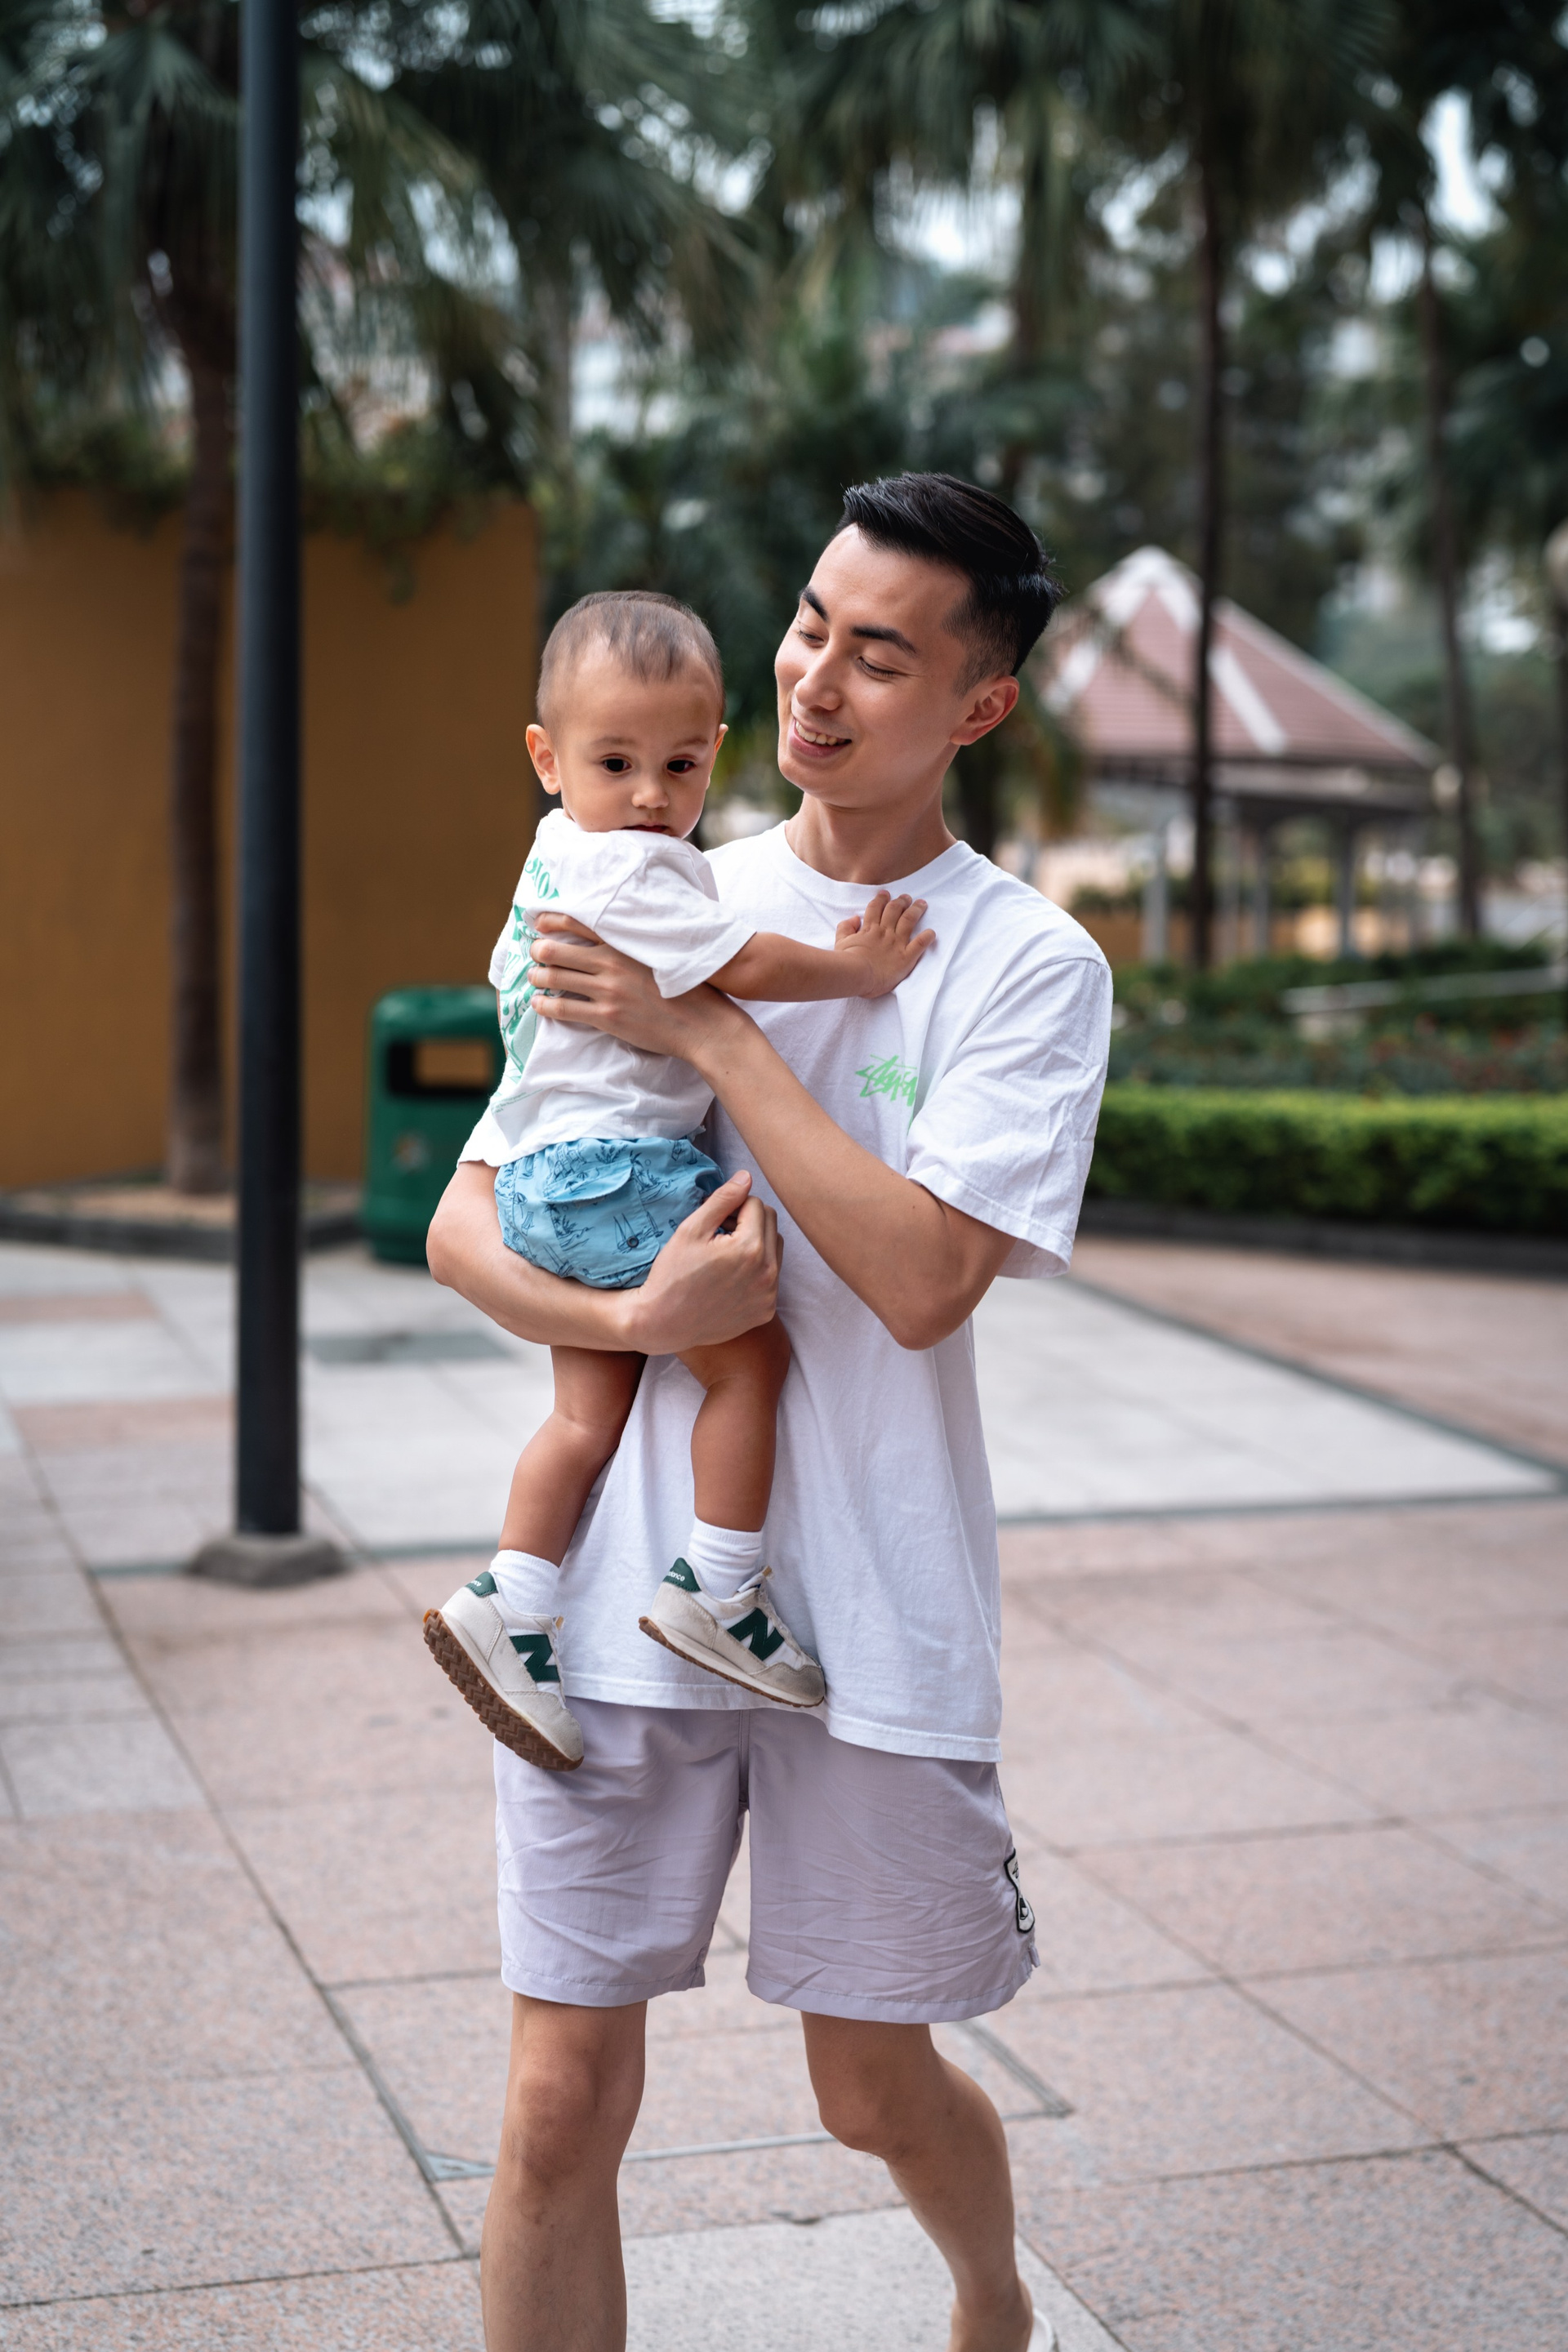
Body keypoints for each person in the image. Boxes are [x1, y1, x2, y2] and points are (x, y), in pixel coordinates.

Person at [427, 472, 1111, 2352]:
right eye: (811, 625)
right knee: (556, 2106)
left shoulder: (1025, 965)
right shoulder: (640, 866)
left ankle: (992, 2296)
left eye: (879, 654)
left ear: (978, 704)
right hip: (616, 1615)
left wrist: (708, 1027)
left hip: (867, 1619)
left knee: (870, 2089)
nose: (815, 679)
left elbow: (922, 1278)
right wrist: (631, 1317)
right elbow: (466, 1226)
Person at [422, 587, 934, 1769]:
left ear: (715, 751)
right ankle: (720, 1583)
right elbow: (740, 963)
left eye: (681, 765)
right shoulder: (638, 870)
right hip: (619, 1172)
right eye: (616, 763)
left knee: (582, 1416)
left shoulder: (553, 857)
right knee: (750, 1363)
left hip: (539, 1180)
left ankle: (512, 1599)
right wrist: (856, 972)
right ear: (547, 757)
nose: (652, 796)